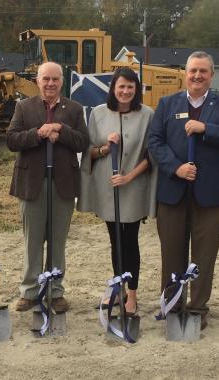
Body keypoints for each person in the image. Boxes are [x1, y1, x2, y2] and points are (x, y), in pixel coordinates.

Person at [146, 51, 219, 330]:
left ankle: (198, 308)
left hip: (211, 194)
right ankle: (173, 303)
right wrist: (175, 168)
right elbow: (154, 142)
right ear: (185, 73)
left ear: (211, 75)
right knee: (172, 254)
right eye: (193, 71)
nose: (197, 76)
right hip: (173, 191)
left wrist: (207, 128)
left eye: (203, 71)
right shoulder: (167, 104)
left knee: (204, 256)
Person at [6, 62, 90, 312]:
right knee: (33, 241)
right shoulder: (23, 107)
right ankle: (30, 291)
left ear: (61, 82)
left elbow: (82, 142)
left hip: (62, 184)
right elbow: (11, 140)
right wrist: (39, 133)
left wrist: (61, 130)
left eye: (55, 79)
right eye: (46, 79)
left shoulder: (74, 109)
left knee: (57, 241)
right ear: (38, 80)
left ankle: (54, 291)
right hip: (32, 184)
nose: (50, 84)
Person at [77, 67, 156, 315]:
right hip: (107, 188)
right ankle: (118, 286)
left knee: (130, 241)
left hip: (134, 187)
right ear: (113, 88)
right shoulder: (98, 114)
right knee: (115, 241)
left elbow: (151, 154)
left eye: (130, 87)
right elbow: (88, 150)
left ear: (136, 89)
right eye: (121, 86)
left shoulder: (148, 115)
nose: (125, 91)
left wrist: (130, 176)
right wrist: (104, 148)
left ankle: (132, 293)